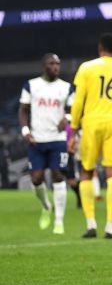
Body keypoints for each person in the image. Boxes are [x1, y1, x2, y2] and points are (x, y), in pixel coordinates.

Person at [69, 33, 112, 239]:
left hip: (90, 124)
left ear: (99, 48)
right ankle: (110, 227)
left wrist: (72, 131)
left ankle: (91, 225)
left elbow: (78, 102)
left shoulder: (86, 68)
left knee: (86, 171)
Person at [18, 53, 75, 234]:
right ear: (44, 66)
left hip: (58, 140)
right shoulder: (31, 85)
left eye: (58, 64)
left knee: (58, 176)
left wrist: (67, 118)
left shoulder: (66, 87)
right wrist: (25, 131)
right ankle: (46, 205)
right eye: (51, 64)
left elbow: (74, 109)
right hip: (37, 140)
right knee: (36, 179)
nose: (56, 67)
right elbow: (23, 110)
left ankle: (59, 221)